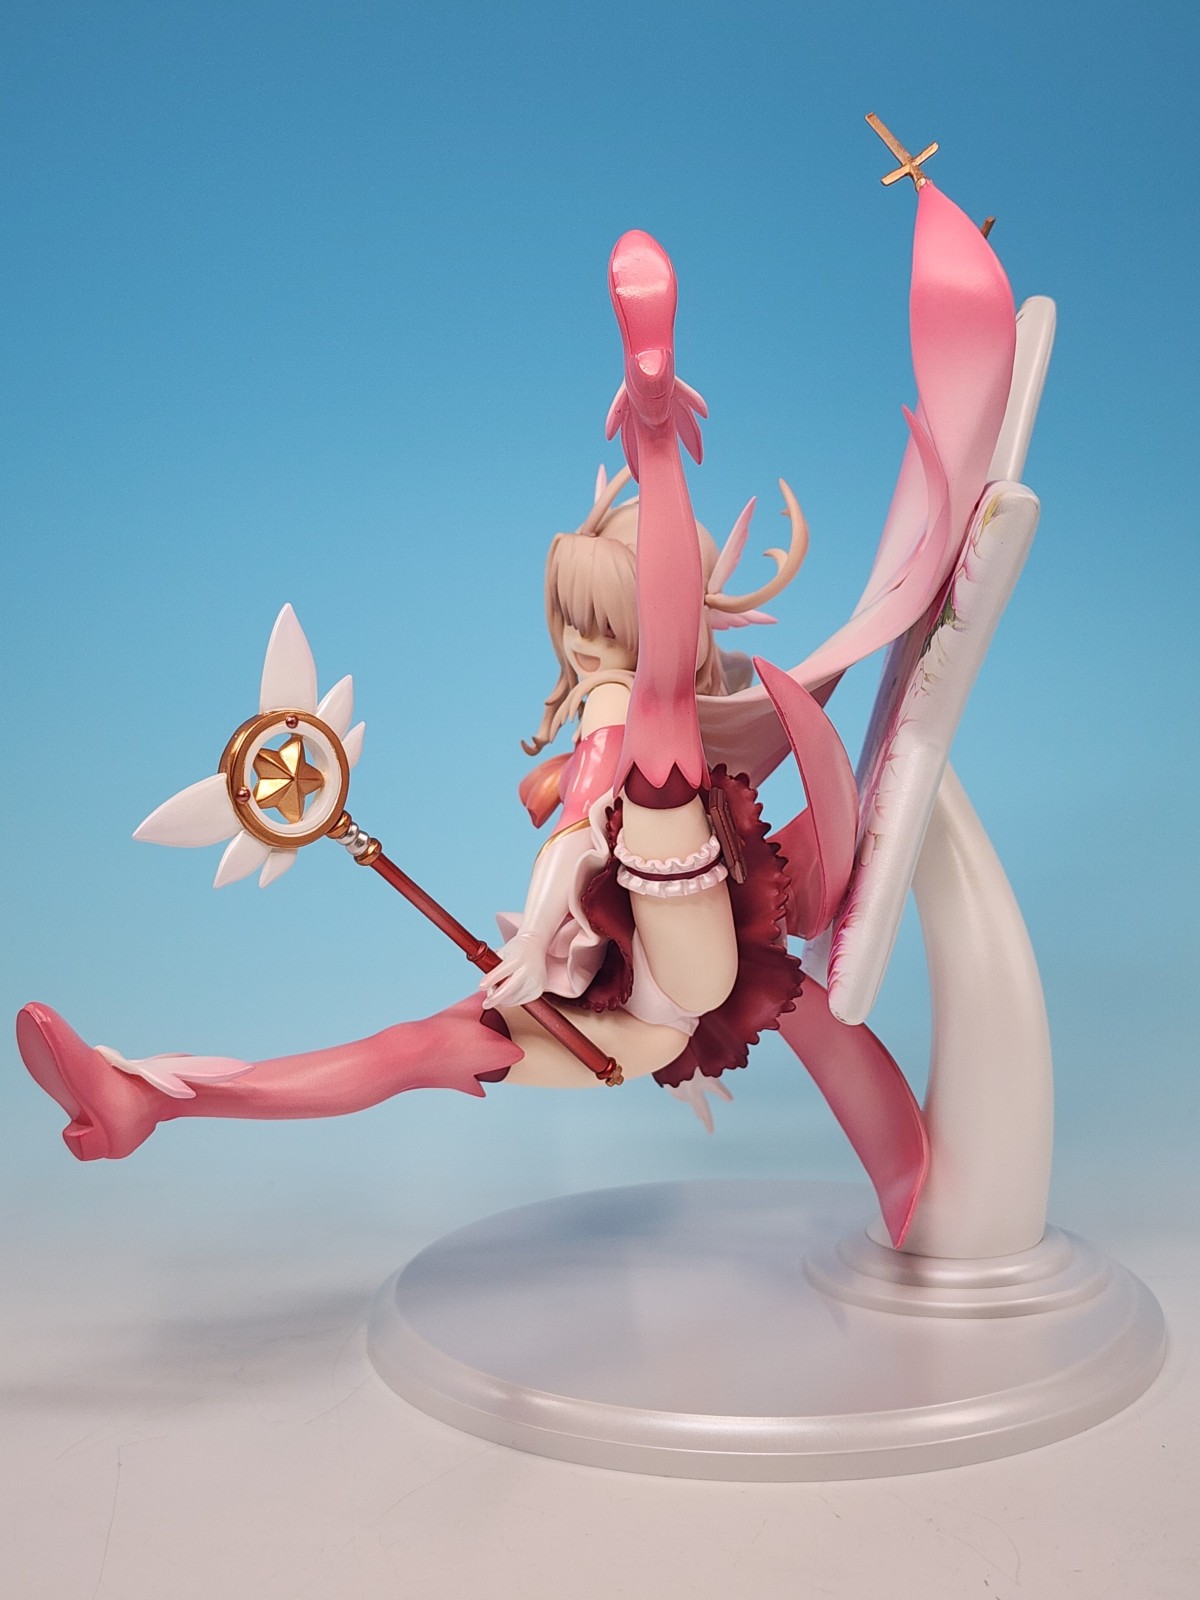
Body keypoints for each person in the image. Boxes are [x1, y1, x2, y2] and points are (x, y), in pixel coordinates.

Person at [16, 230, 930, 1245]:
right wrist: (645, 1027)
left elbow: (582, 832)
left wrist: (535, 937)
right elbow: (597, 823)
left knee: (660, 723)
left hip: (667, 966)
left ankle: (656, 433)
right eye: (578, 628)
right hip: (640, 1017)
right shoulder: (630, 723)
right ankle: (149, 1098)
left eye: (593, 628)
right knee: (412, 1049)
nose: (580, 650)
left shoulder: (621, 711)